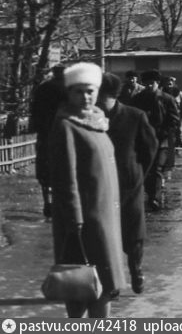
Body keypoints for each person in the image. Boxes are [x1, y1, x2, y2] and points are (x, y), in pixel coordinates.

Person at [48, 62, 126, 318]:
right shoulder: (66, 125)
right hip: (84, 221)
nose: (85, 96)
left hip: (105, 217)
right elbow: (65, 178)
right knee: (82, 285)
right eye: (79, 91)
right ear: (69, 93)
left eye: (90, 90)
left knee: (104, 285)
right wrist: (74, 220)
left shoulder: (98, 122)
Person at [97, 72, 157, 295]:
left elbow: (149, 148)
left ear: (113, 96)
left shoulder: (135, 116)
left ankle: (136, 269)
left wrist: (138, 173)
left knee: (133, 234)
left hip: (128, 185)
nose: (97, 102)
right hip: (100, 186)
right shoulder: (90, 118)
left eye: (101, 96)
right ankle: (110, 280)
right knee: (104, 235)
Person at [125, 70, 180, 211]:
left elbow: (174, 119)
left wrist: (166, 132)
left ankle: (153, 198)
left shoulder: (167, 99)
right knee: (145, 168)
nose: (149, 86)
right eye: (147, 83)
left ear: (158, 83)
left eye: (152, 83)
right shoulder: (137, 99)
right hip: (142, 140)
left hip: (161, 140)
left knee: (157, 168)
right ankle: (149, 193)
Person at [29, 66, 65, 218]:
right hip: (63, 133)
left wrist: (35, 127)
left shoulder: (42, 88)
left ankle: (47, 201)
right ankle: (59, 202)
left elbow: (35, 110)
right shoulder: (68, 89)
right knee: (63, 169)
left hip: (45, 134)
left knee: (45, 170)